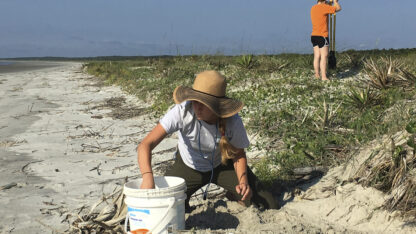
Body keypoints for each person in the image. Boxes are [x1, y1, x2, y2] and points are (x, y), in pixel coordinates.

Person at [137, 70, 278, 212]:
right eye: (194, 100)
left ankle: (233, 194)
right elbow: (145, 145)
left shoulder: (233, 121)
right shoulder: (182, 111)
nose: (197, 107)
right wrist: (147, 176)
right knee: (165, 206)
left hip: (222, 164)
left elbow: (239, 153)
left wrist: (243, 182)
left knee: (267, 205)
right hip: (188, 166)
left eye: (203, 104)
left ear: (217, 106)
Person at [310, 0, 342, 81]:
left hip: (314, 35)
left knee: (317, 56)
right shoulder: (324, 7)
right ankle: (324, 77)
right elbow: (338, 8)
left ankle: (317, 74)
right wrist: (335, 1)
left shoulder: (313, 8)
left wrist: (328, 2)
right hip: (322, 35)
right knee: (324, 56)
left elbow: (324, 6)